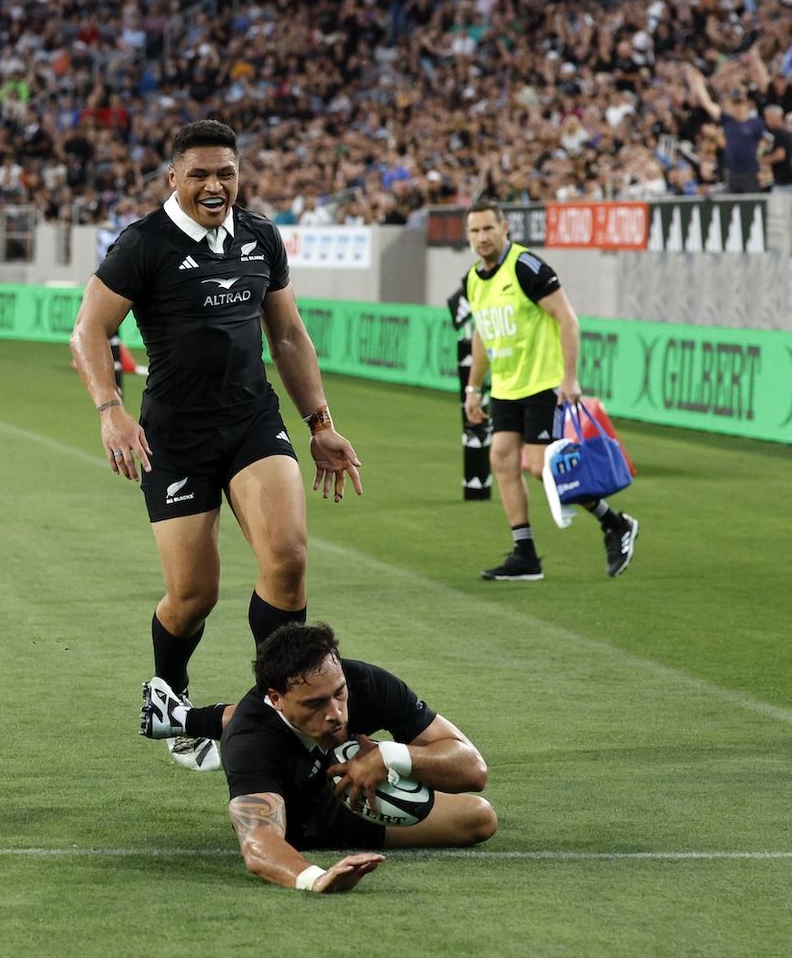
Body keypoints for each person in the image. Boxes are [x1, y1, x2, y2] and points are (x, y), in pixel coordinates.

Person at [70, 119, 362, 771]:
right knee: (194, 595)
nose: (213, 185)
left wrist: (320, 424)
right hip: (174, 437)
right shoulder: (143, 244)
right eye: (199, 173)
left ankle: (286, 705)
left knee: (286, 558)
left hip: (252, 420)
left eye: (225, 173)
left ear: (239, 176)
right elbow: (88, 330)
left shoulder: (260, 237)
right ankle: (170, 699)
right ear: (173, 177)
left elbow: (286, 336)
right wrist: (111, 410)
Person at [141, 623, 496, 891]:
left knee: (481, 818)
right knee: (474, 817)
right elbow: (258, 843)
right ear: (276, 698)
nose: (336, 713)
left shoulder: (364, 682)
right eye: (315, 704)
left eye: (338, 694)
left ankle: (183, 718)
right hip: (311, 823)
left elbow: (473, 769)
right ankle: (185, 719)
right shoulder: (250, 740)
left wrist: (390, 756)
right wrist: (315, 878)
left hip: (360, 788)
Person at [461, 197, 638, 581]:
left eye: (488, 228)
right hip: (507, 388)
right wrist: (473, 388)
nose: (481, 237)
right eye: (474, 231)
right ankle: (525, 555)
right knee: (503, 461)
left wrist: (569, 377)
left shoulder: (526, 267)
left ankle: (616, 523)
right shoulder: (474, 279)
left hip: (543, 385)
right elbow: (481, 332)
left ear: (505, 228)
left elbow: (567, 319)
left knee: (545, 470)